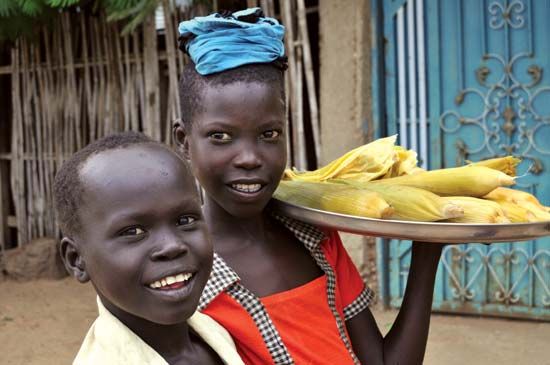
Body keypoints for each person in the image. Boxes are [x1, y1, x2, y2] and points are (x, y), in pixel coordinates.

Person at [174, 8, 444, 365]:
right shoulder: (184, 274)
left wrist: (429, 248)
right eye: (221, 137)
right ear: (184, 141)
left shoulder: (316, 239)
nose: (249, 158)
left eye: (268, 134)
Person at [54, 132, 245, 365]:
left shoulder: (217, 333)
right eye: (133, 232)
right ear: (76, 259)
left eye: (184, 220)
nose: (172, 246)